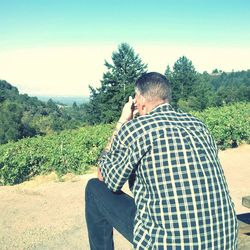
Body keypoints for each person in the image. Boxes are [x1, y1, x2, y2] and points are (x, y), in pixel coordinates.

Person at [85, 72, 238, 249]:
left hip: (166, 244)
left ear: (140, 99)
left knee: (94, 189)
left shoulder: (136, 129)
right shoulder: (199, 126)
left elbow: (105, 178)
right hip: (224, 241)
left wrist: (122, 121)